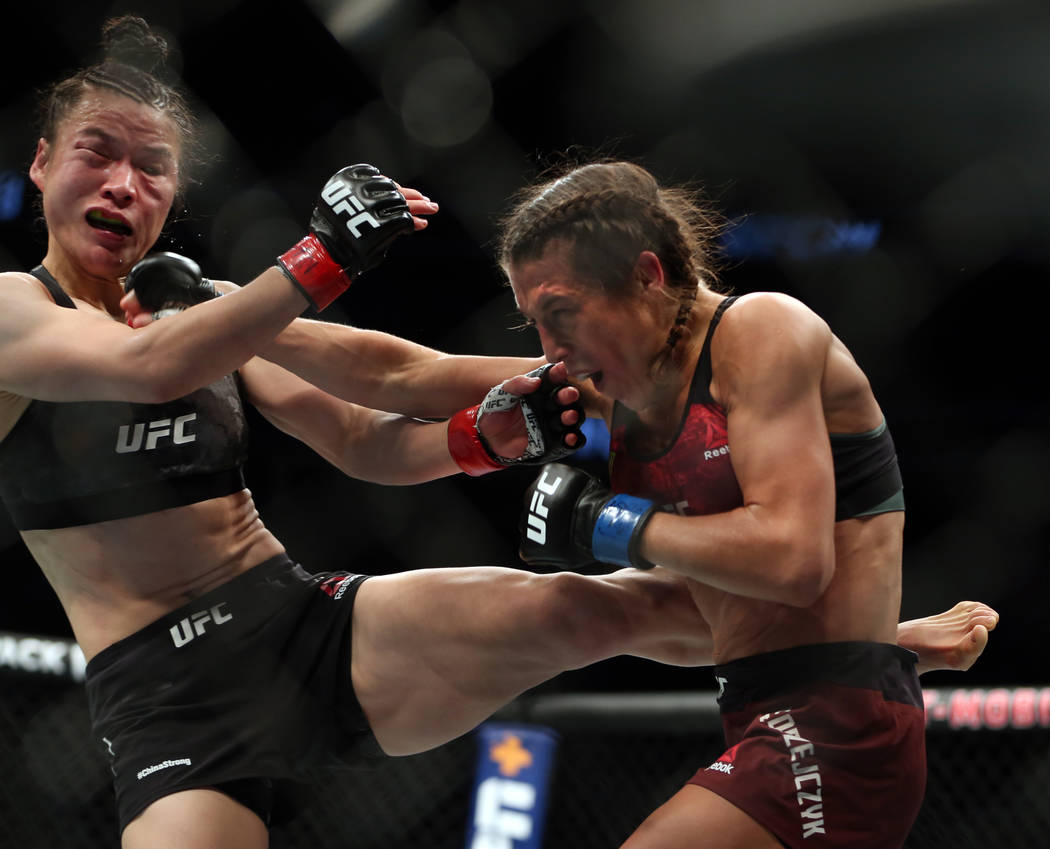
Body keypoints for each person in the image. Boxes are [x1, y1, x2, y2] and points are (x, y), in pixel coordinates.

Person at [0, 16, 996, 849]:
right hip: (168, 691)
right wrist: (317, 257)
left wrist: (486, 438)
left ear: (173, 192)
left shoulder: (211, 313)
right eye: (99, 153)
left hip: (298, 627)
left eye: (154, 165)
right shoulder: (14, 312)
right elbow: (146, 370)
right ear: (42, 166)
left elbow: (372, 428)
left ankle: (864, 647)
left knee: (588, 608)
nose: (126, 182)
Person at [500, 159, 993, 849]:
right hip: (774, 716)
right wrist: (301, 293)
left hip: (836, 735)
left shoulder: (760, 331)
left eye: (562, 314)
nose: (551, 353)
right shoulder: (626, 395)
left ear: (646, 274)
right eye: (535, 324)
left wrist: (607, 522)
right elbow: (406, 375)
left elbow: (793, 561)